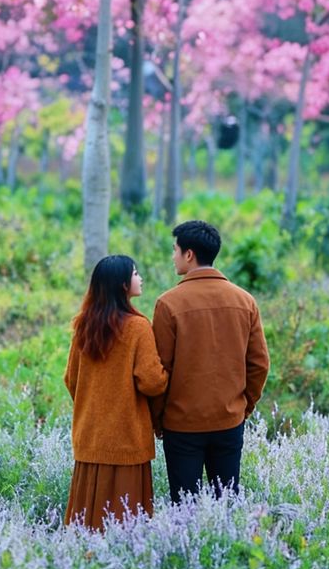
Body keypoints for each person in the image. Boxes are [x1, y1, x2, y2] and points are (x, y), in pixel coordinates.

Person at [151, 220, 270, 503]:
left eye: (175, 250)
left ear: (188, 254)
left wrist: (158, 421)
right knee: (226, 504)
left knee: (184, 509)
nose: (173, 257)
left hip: (182, 426)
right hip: (229, 422)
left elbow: (160, 372)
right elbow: (260, 364)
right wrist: (243, 407)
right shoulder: (245, 300)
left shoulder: (168, 304)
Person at [64, 254, 168, 530]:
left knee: (86, 524)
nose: (140, 278)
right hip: (127, 439)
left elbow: (71, 379)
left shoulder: (83, 326)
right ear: (123, 285)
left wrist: (93, 407)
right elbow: (152, 382)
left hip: (89, 439)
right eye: (135, 273)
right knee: (126, 523)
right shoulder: (138, 327)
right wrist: (168, 372)